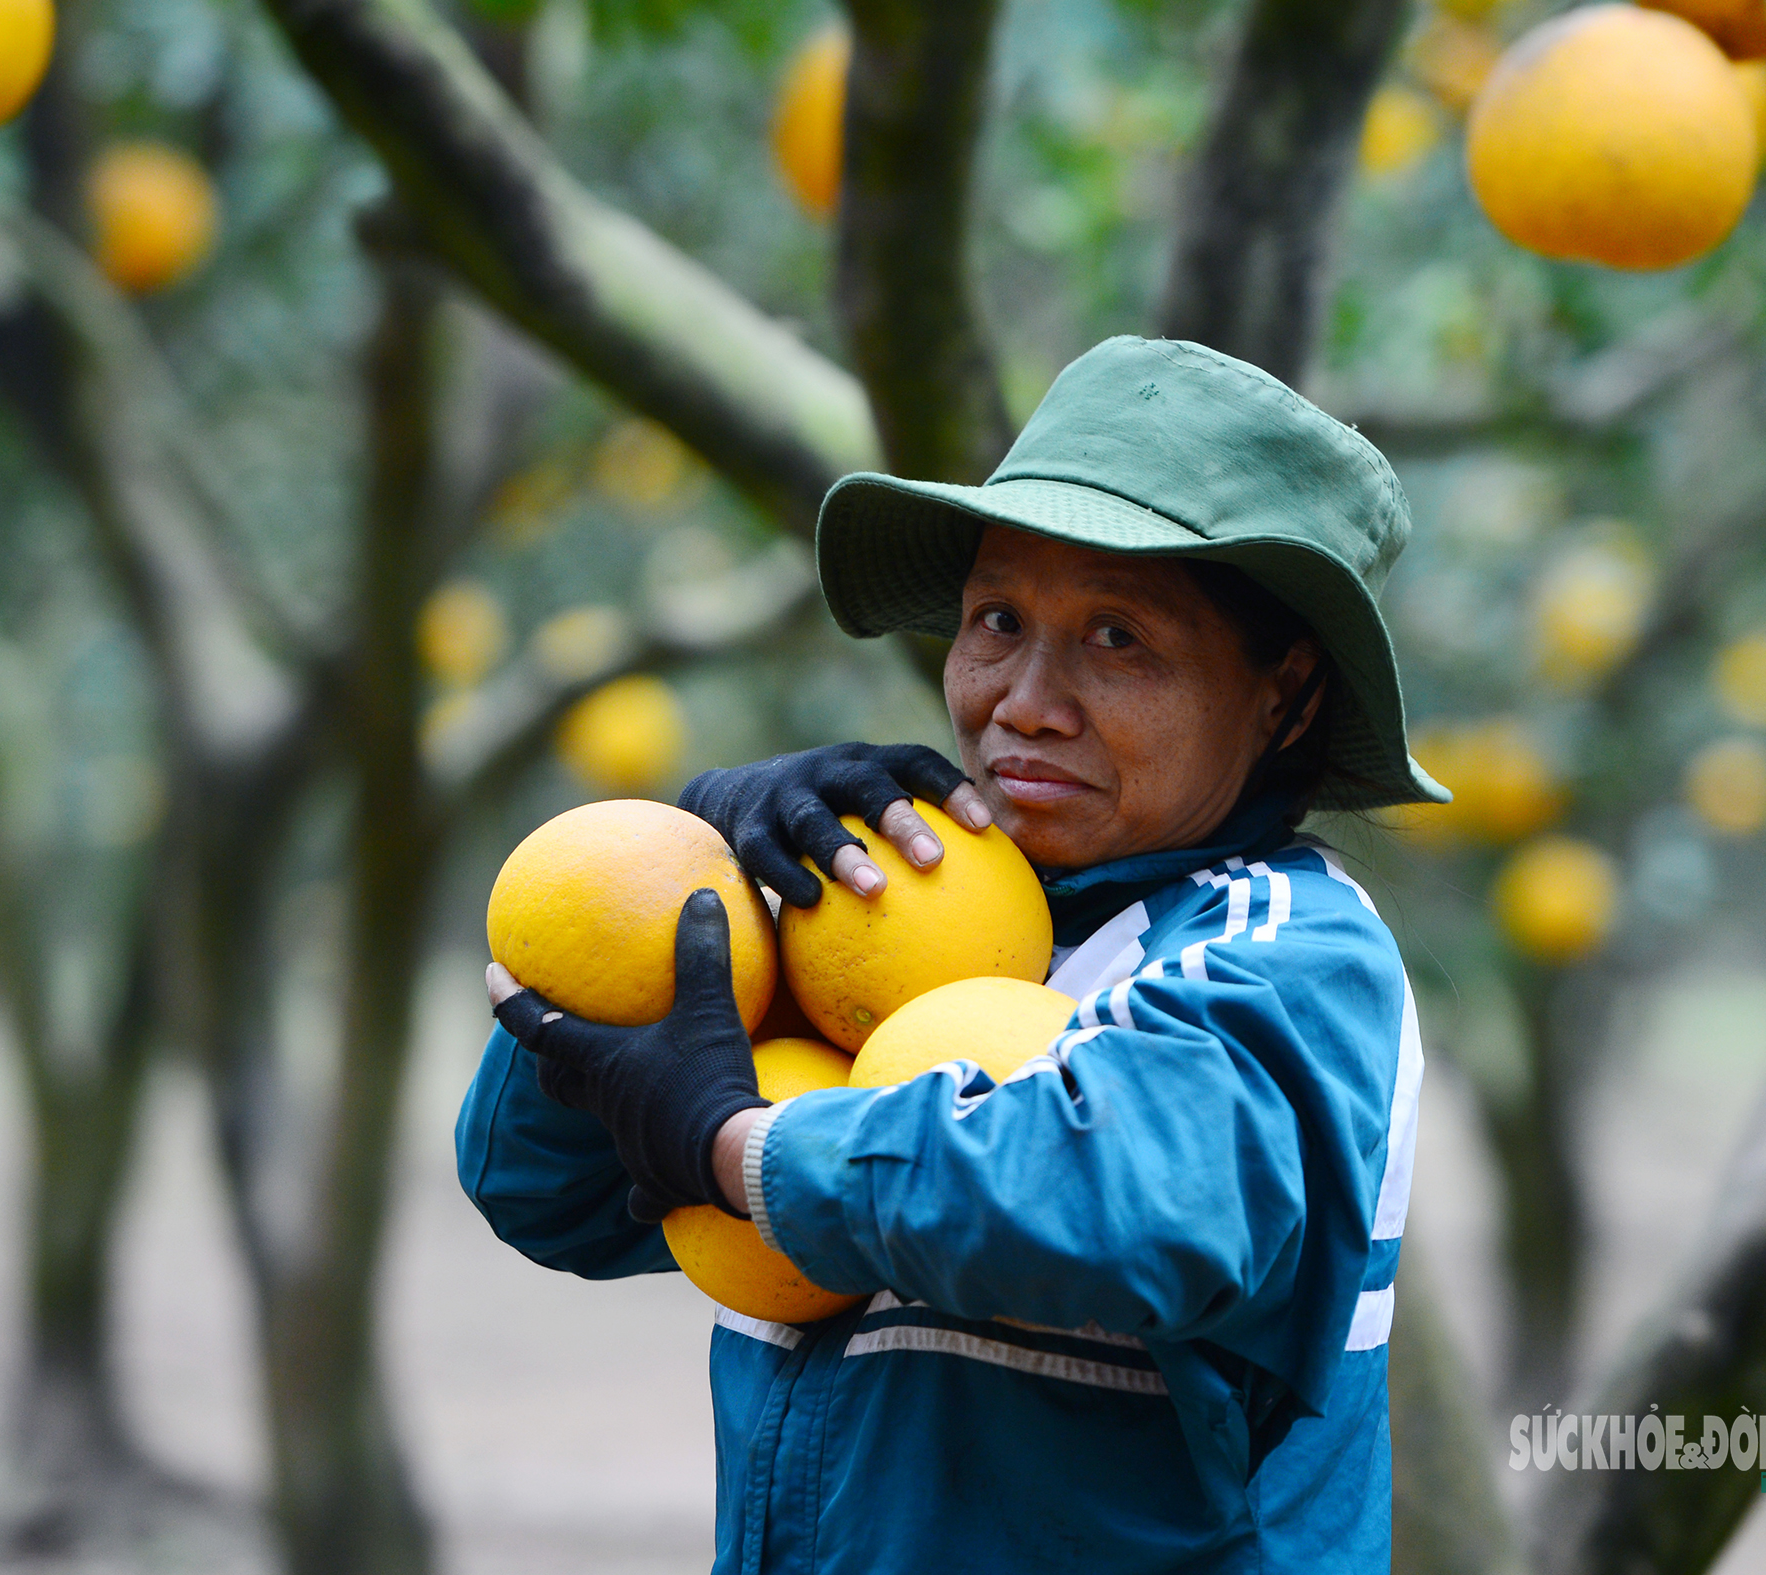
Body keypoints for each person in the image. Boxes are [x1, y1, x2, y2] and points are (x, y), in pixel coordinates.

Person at [458, 336, 1446, 1573]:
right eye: (996, 621)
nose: (1022, 699)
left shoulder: (1285, 954)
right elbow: (545, 1197)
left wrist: (736, 1144)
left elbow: (1122, 1209)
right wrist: (692, 880)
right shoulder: (872, 916)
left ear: (1285, 693)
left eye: (1118, 638)